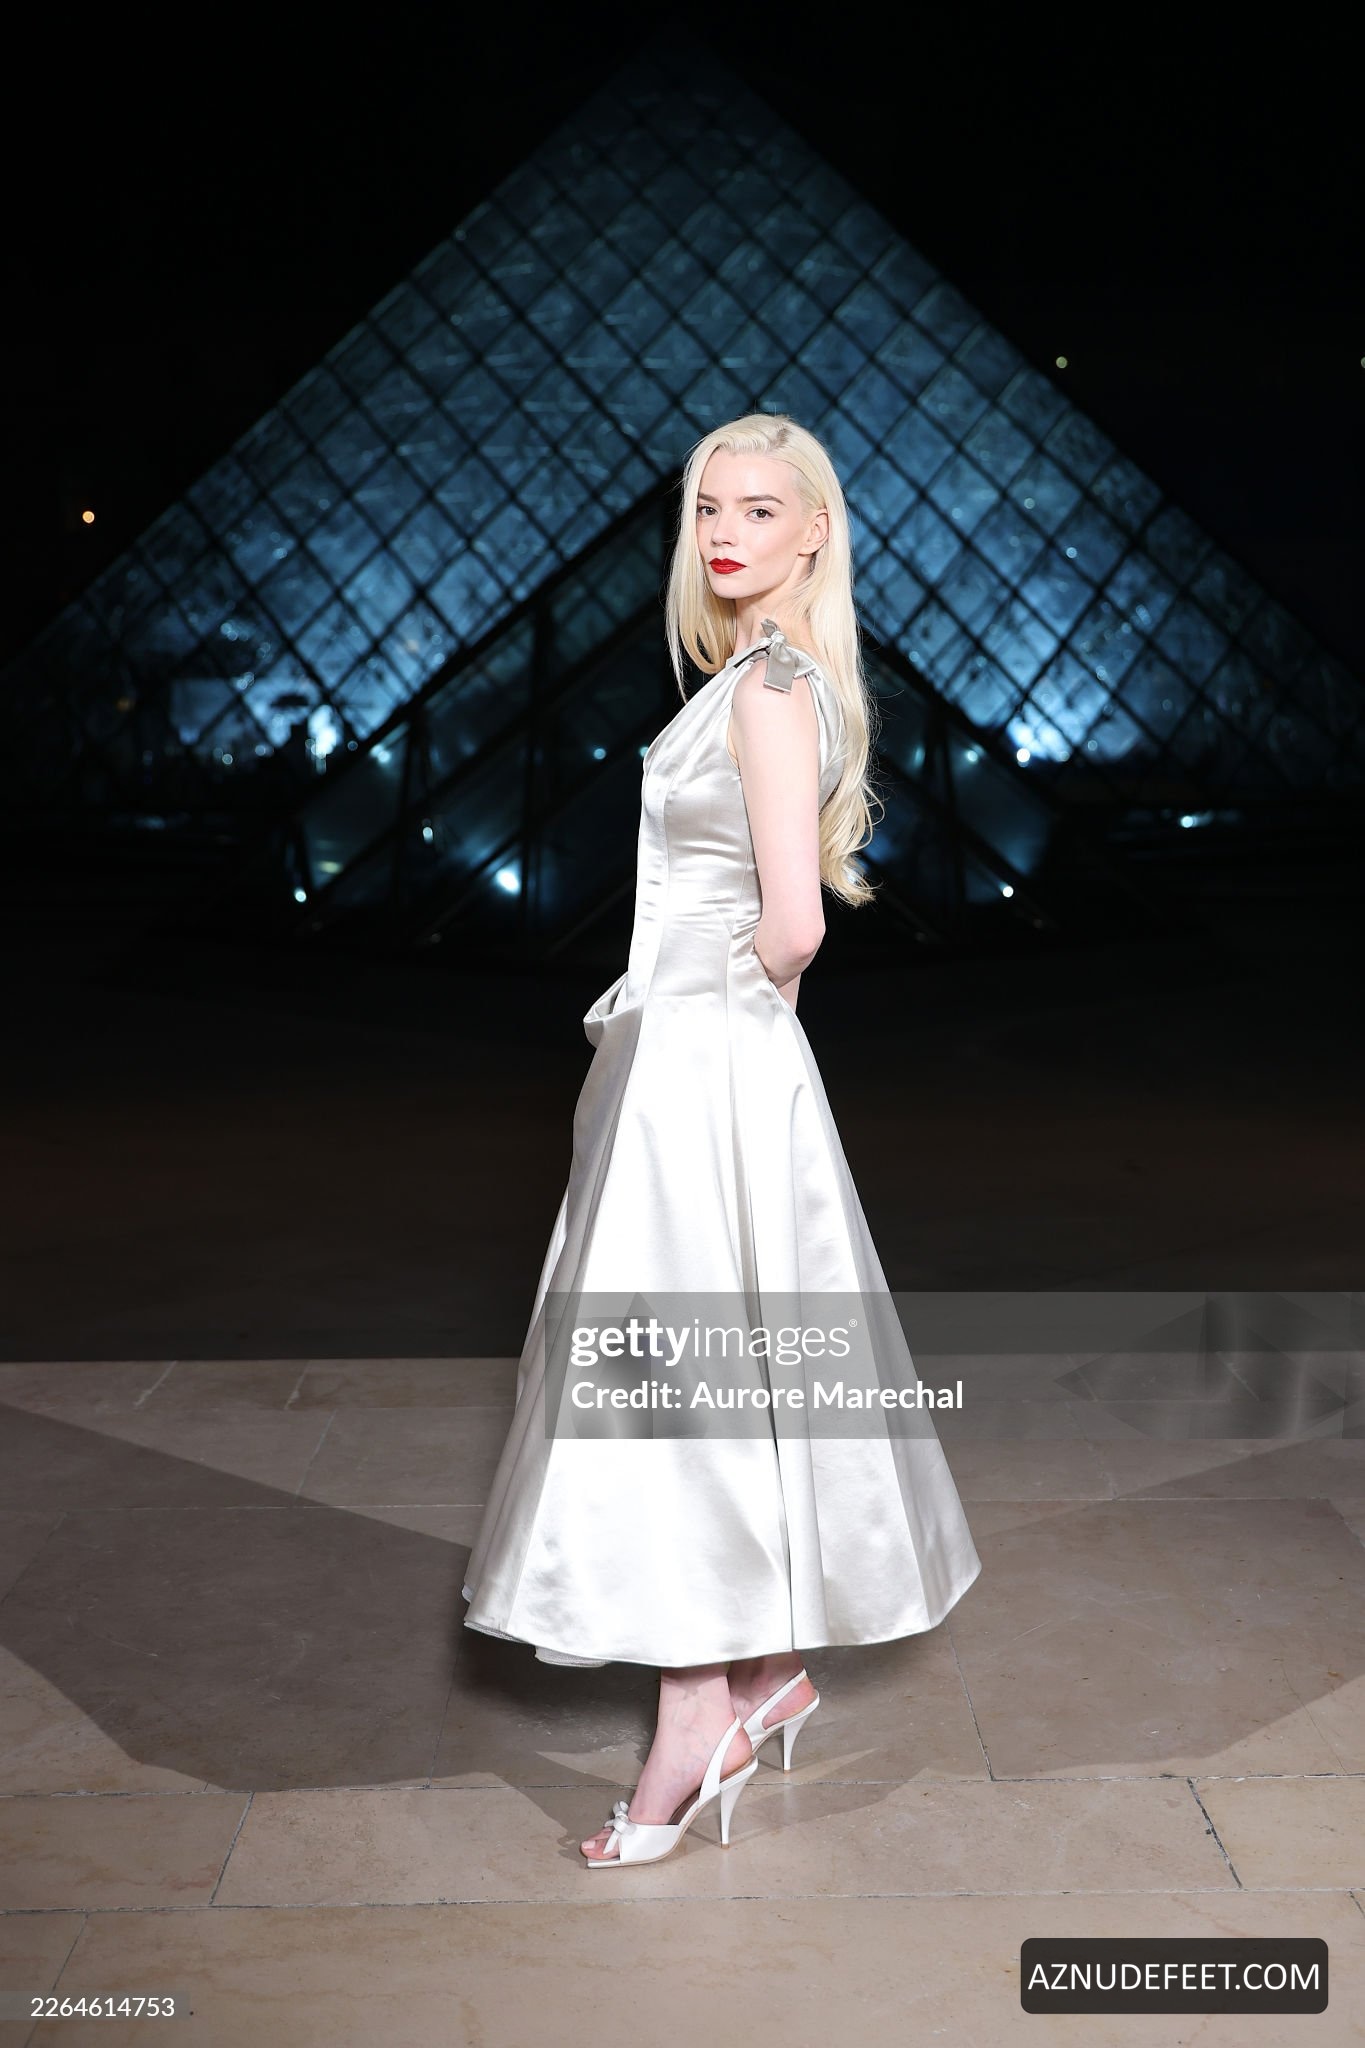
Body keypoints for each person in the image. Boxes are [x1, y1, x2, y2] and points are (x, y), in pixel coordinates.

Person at [461, 413, 982, 1866]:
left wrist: (714, 1021)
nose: (726, 533)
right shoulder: (763, 678)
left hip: (700, 1061)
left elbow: (794, 923)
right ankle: (765, 1678)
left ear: (815, 531)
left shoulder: (765, 689)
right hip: (703, 1059)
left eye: (759, 509)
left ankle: (694, 1717)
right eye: (707, 509)